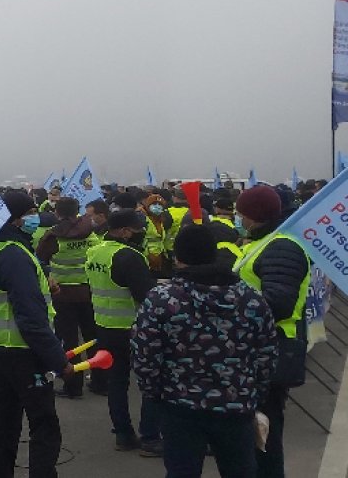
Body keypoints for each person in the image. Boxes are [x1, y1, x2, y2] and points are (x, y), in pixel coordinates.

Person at [133, 224, 277, 478]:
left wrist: (155, 394)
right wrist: (254, 393)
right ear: (214, 253)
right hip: (236, 405)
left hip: (180, 406)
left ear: (178, 258)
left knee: (181, 472)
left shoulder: (162, 299)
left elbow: (145, 355)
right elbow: (266, 354)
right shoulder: (251, 299)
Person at [0, 190, 72, 478]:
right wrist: (59, 360)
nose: (36, 218)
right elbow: (31, 320)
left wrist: (42, 280)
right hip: (23, 352)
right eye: (30, 213)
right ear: (16, 220)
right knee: (44, 424)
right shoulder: (14, 254)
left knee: (4, 421)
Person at [233, 186, 310, 478]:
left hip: (271, 349)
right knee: (255, 434)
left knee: (264, 434)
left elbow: (278, 303)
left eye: (241, 213)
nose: (238, 218)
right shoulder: (263, 242)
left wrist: (230, 311)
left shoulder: (281, 247)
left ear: (254, 215)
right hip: (254, 349)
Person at [84, 209, 162, 455]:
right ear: (126, 231)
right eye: (139, 229)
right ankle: (150, 437)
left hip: (105, 327)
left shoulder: (95, 251)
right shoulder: (129, 256)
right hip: (134, 329)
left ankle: (123, 434)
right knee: (151, 383)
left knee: (117, 383)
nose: (142, 233)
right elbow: (146, 296)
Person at [36, 197, 101, 399]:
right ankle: (100, 381)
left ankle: (73, 386)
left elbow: (40, 258)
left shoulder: (53, 236)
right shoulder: (91, 231)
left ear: (57, 212)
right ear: (77, 210)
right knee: (92, 339)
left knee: (70, 342)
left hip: (63, 295)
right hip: (89, 292)